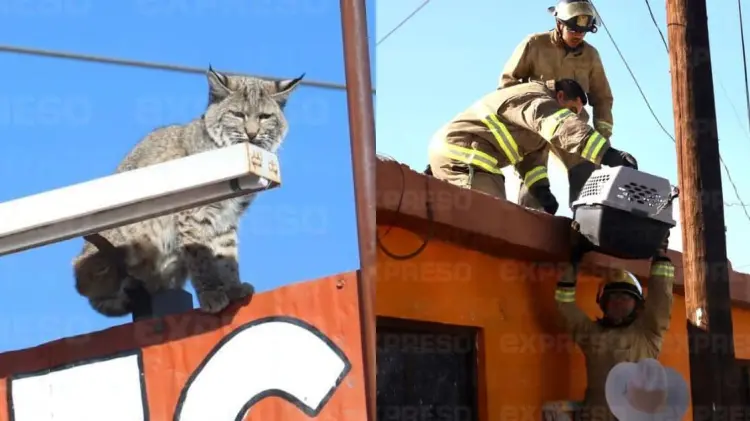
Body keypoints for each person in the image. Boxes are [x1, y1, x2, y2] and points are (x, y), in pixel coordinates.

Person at [427, 78, 636, 215]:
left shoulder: (534, 126)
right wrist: (607, 154)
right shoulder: (533, 98)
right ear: (560, 96)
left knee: (495, 218)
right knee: (491, 219)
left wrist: (541, 191)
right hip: (462, 155)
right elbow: (559, 124)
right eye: (572, 109)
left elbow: (531, 160)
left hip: (468, 157)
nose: (573, 116)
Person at [499, 0, 615, 213]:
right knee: (534, 179)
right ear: (559, 23)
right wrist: (548, 89)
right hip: (535, 125)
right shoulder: (534, 44)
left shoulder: (591, 56)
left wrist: (603, 138)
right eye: (573, 29)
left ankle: (585, 228)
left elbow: (602, 97)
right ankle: (530, 229)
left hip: (573, 129)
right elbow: (508, 86)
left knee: (587, 173)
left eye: (584, 31)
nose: (578, 35)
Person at [555, 229, 676, 421]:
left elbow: (661, 299)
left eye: (625, 297)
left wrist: (660, 257)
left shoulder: (648, 333)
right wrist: (575, 261)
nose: (619, 302)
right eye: (614, 297)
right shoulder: (590, 334)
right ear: (604, 303)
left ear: (637, 304)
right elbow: (565, 303)